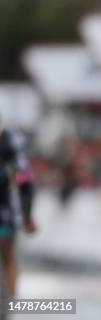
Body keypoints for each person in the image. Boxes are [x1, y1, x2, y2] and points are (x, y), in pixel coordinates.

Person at [0, 117, 37, 298]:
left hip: (5, 206)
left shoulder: (12, 143)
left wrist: (27, 216)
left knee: (6, 251)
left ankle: (10, 302)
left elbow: (26, 180)